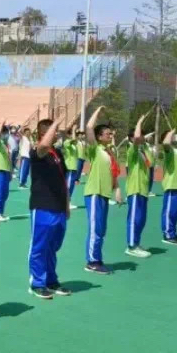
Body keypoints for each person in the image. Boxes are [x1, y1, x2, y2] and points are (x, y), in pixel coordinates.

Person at [26, 117, 75, 299]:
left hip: (59, 207)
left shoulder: (57, 153)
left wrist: (66, 205)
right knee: (39, 246)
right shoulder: (37, 152)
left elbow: (63, 181)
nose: (58, 134)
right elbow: (43, 146)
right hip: (43, 206)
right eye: (54, 132)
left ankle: (51, 280)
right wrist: (54, 125)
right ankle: (37, 283)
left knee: (53, 246)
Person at [82, 106, 115, 274]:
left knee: (101, 229)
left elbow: (112, 174)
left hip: (104, 194)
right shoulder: (95, 150)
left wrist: (116, 190)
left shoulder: (109, 152)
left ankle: (97, 258)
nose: (111, 136)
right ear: (99, 137)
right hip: (94, 193)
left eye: (111, 134)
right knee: (95, 228)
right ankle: (92, 261)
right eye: (108, 134)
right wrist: (99, 110)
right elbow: (88, 128)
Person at [123, 111, 154, 258]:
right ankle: (131, 246)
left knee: (141, 219)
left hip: (143, 189)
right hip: (135, 189)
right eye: (141, 135)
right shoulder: (132, 150)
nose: (143, 137)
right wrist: (139, 121)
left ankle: (136, 242)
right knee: (134, 218)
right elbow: (136, 137)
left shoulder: (143, 150)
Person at [159, 128, 177, 245]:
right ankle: (167, 234)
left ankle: (173, 233)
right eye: (171, 135)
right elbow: (165, 143)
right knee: (169, 212)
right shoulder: (169, 150)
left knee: (176, 212)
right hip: (172, 184)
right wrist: (171, 132)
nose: (174, 136)